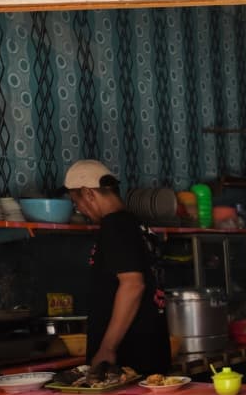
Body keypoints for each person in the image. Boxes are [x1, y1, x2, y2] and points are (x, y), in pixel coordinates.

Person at [63, 160, 171, 377]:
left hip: (126, 361)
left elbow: (133, 285)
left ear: (89, 193)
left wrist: (107, 349)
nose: (80, 209)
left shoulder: (115, 226)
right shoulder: (137, 225)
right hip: (150, 352)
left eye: (76, 202)